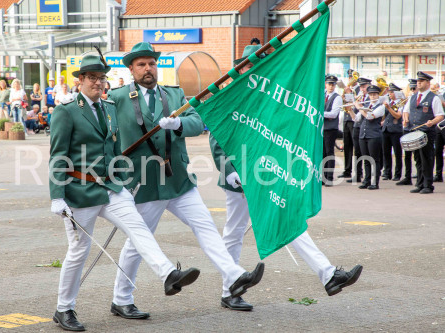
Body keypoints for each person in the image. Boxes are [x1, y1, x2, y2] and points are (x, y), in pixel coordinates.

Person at [109, 42, 265, 320]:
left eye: (152, 63)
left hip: (179, 179)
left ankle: (234, 276)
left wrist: (178, 124)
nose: (148, 69)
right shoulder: (117, 98)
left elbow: (198, 123)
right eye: (141, 64)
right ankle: (121, 299)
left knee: (205, 226)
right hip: (144, 181)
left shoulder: (174, 94)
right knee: (137, 242)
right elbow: (107, 137)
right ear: (131, 69)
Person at [49, 54, 200, 331]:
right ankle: (64, 308)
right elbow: (58, 156)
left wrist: (125, 180)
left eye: (101, 77)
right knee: (79, 251)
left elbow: (114, 151)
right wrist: (57, 196)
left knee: (139, 228)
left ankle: (168, 273)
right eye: (92, 78)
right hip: (80, 190)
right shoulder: (66, 110)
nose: (98, 82)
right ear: (80, 80)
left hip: (111, 187)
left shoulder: (108, 107)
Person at [209, 45, 362, 311]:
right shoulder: (233, 94)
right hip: (241, 179)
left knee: (289, 220)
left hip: (268, 175)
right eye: (253, 64)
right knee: (234, 232)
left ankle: (328, 274)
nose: (257, 68)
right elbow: (217, 136)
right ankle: (229, 289)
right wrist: (231, 171)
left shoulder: (272, 96)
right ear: (243, 67)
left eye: (263, 63)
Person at [402, 72, 445, 194]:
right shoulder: (412, 97)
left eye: (421, 81)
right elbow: (406, 111)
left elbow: (440, 115)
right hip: (414, 132)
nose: (418, 83)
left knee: (426, 158)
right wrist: (405, 118)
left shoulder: (434, 97)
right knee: (418, 159)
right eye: (418, 81)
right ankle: (420, 184)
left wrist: (432, 122)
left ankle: (428, 185)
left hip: (426, 132)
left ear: (427, 83)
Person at [355, 84, 384, 190]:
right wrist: (350, 110)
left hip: (374, 135)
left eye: (374, 94)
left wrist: (359, 107)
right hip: (363, 135)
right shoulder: (366, 106)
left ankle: (374, 182)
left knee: (374, 159)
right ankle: (366, 181)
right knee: (366, 159)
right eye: (370, 94)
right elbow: (357, 119)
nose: (372, 96)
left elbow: (370, 117)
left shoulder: (381, 107)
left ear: (378, 95)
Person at [339, 69, 360, 179]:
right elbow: (344, 104)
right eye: (349, 77)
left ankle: (357, 172)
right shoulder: (347, 89)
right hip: (347, 119)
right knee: (347, 146)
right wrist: (344, 97)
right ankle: (347, 170)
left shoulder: (358, 91)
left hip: (354, 119)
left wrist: (349, 94)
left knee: (356, 146)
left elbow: (356, 103)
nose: (350, 79)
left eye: (352, 77)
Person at [396, 79, 417, 186]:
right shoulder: (409, 99)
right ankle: (407, 177)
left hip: (416, 129)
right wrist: (405, 119)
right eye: (411, 88)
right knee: (407, 155)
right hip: (407, 129)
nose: (413, 90)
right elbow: (405, 111)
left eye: (415, 88)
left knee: (418, 155)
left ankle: (420, 178)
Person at [381, 83, 404, 181]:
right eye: (389, 92)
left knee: (397, 153)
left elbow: (398, 116)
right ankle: (387, 172)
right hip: (386, 129)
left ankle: (397, 174)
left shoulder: (401, 103)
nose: (390, 94)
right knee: (386, 152)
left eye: (392, 92)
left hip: (396, 130)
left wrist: (389, 108)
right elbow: (386, 115)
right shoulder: (389, 102)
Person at [323, 75, 342, 186]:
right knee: (322, 153)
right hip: (322, 128)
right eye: (329, 84)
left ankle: (329, 177)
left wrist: (320, 114)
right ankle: (323, 177)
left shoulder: (337, 97)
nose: (331, 86)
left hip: (330, 128)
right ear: (325, 84)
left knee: (329, 153)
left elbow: (334, 114)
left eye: (333, 84)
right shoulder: (323, 95)